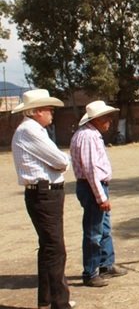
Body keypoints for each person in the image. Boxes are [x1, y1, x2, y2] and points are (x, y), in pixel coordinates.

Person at [11, 89, 75, 309]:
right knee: (55, 248)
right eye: (48, 109)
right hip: (44, 193)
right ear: (36, 111)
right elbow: (60, 160)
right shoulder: (30, 130)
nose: (51, 113)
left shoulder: (32, 130)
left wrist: (61, 161)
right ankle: (59, 302)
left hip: (44, 192)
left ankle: (47, 299)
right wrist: (62, 161)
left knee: (49, 246)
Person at [70, 100, 127, 287]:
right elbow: (91, 169)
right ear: (96, 119)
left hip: (94, 186)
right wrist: (101, 196)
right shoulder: (88, 136)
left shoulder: (90, 134)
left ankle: (105, 263)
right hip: (92, 186)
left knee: (103, 227)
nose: (109, 120)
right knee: (94, 231)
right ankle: (91, 271)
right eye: (106, 117)